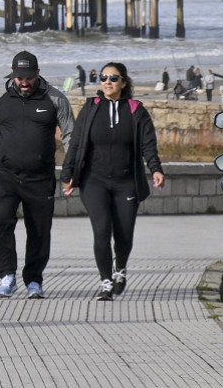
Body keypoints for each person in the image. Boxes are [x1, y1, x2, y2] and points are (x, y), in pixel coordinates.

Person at [0, 51, 74, 300]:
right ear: (13, 75)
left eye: (28, 77)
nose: (24, 82)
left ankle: (34, 280)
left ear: (37, 74)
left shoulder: (55, 99)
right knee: (1, 221)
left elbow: (71, 136)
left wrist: (72, 172)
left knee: (39, 229)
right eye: (19, 77)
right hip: (5, 174)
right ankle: (7, 275)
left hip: (41, 178)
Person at [62, 62, 165, 301]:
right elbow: (76, 144)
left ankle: (120, 269)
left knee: (124, 234)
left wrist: (156, 169)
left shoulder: (136, 109)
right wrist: (68, 176)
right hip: (93, 181)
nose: (107, 82)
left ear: (124, 83)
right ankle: (105, 281)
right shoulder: (91, 107)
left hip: (126, 181)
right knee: (101, 231)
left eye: (113, 78)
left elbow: (148, 144)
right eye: (103, 77)